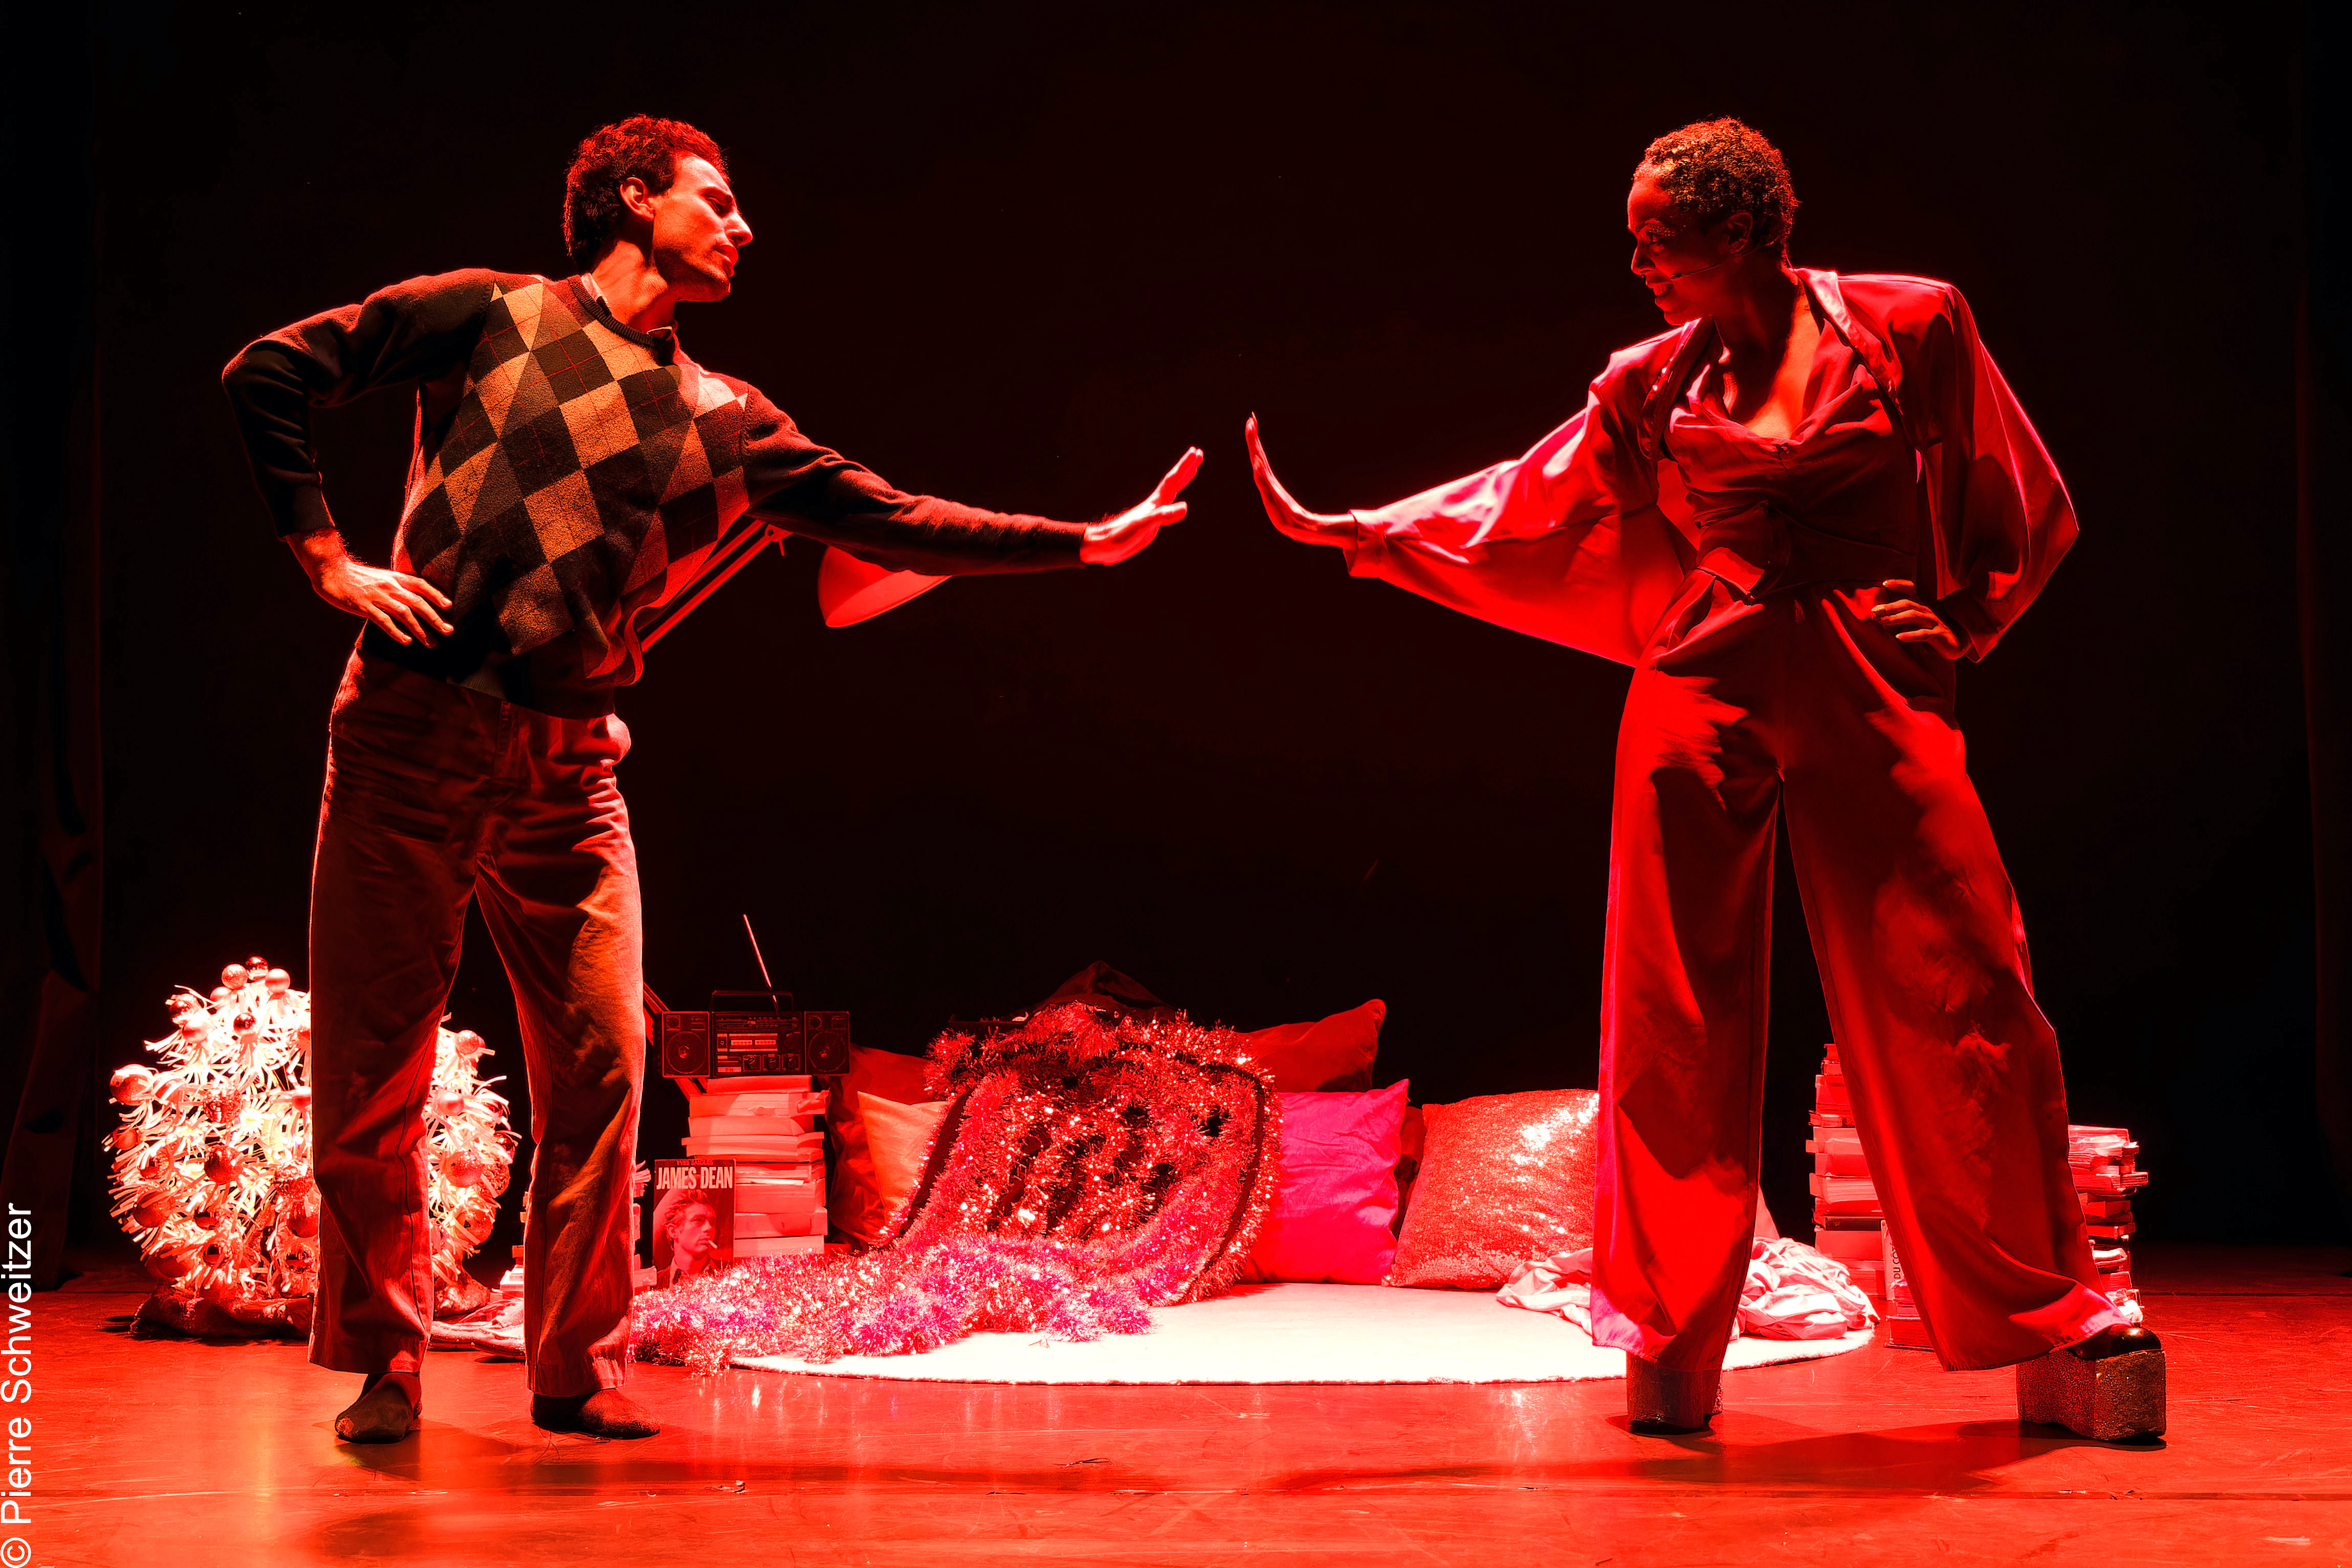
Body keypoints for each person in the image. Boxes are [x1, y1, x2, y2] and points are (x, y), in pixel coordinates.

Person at [222, 115, 1199, 1444]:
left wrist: (1081, 543)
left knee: (605, 1064)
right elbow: (270, 371)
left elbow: (892, 518)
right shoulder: (493, 315)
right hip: (409, 733)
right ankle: (384, 1359)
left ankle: (573, 1364)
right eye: (717, 199)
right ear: (635, 198)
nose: (743, 227)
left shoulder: (725, 419)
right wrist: (326, 559)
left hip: (571, 769)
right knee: (372, 1069)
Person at [1245, 118, 2161, 1440]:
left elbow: (2013, 479)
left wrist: (1969, 617)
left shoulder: (1909, 324)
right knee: (1671, 1008)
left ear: (1740, 231)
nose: (1637, 264)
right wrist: (1367, 531)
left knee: (1964, 975)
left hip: (1868, 665)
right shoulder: (1652, 380)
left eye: (1657, 238)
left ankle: (2041, 1301)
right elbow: (1531, 499)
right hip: (1703, 672)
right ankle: (1673, 1323)